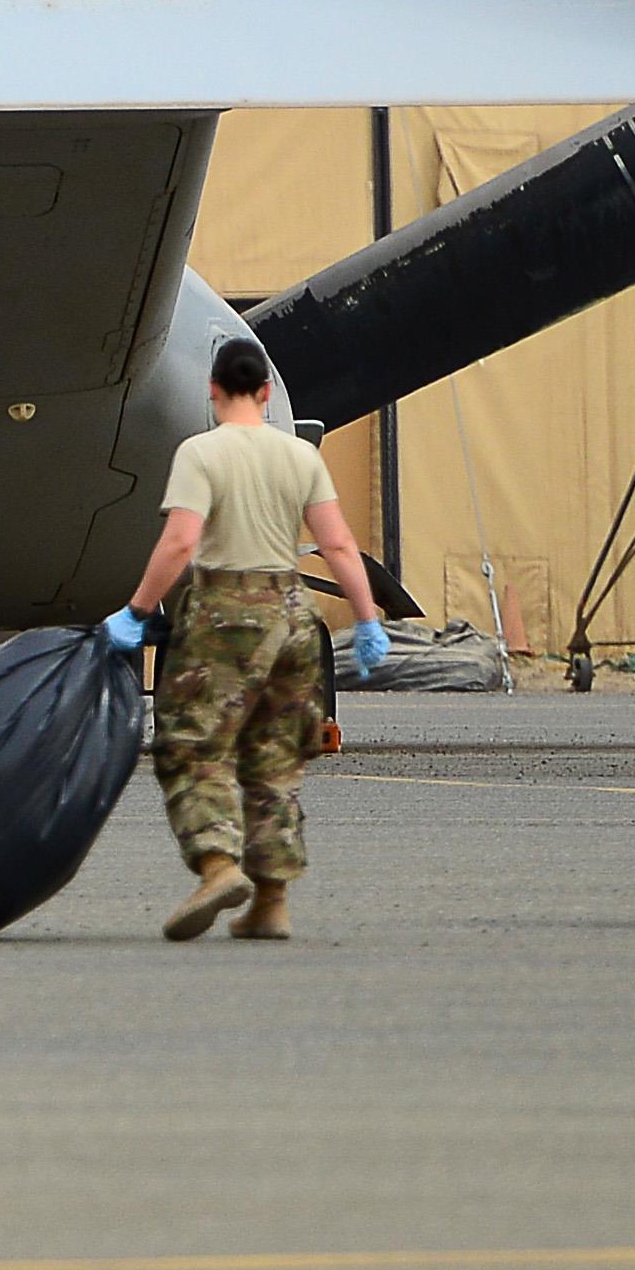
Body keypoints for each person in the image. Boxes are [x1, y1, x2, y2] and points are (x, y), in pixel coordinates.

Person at [106, 339, 386, 941]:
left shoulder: (200, 453)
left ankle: (218, 865)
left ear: (212, 391)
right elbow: (338, 544)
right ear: (265, 392)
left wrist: (137, 610)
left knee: (192, 746)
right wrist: (367, 619)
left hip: (225, 615)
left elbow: (181, 541)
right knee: (276, 759)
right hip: (291, 614)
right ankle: (271, 903)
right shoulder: (299, 457)